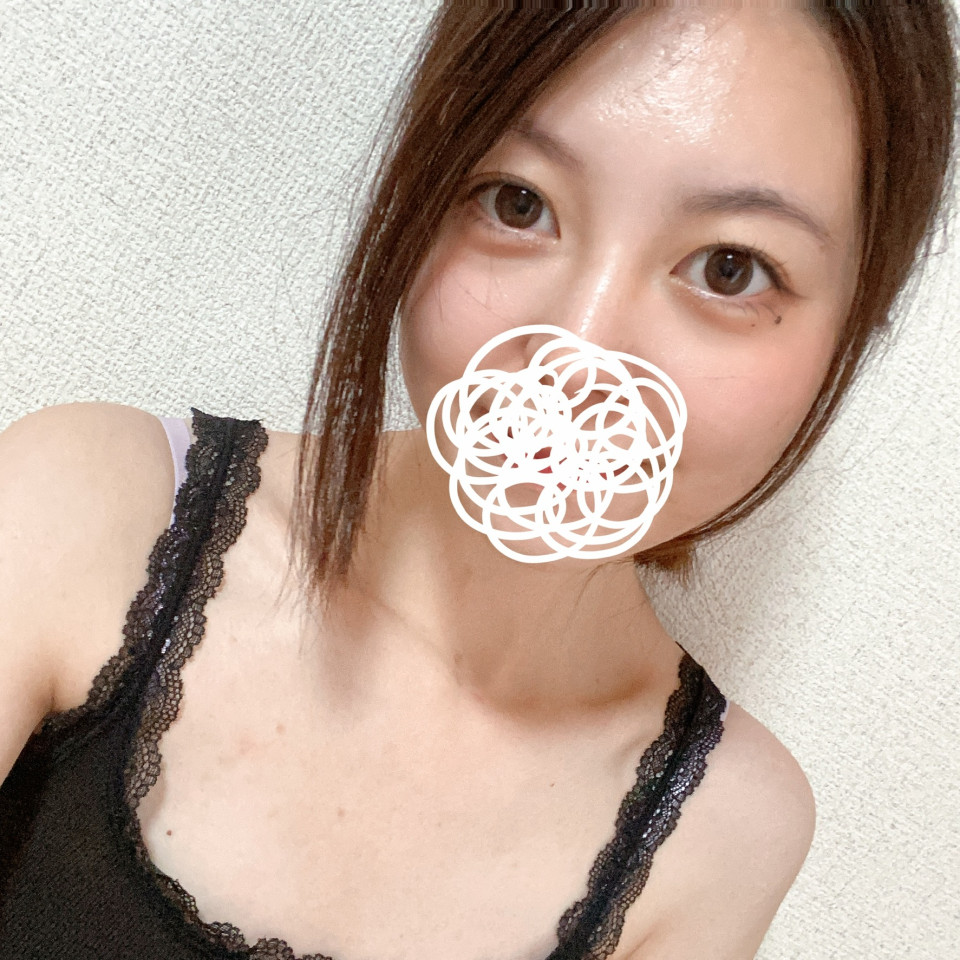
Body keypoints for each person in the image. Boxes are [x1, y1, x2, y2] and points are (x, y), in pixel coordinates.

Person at [0, 4, 955, 959]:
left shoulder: (722, 834)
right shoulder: (82, 511)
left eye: (730, 268)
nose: (578, 351)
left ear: (848, 334)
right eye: (518, 202)